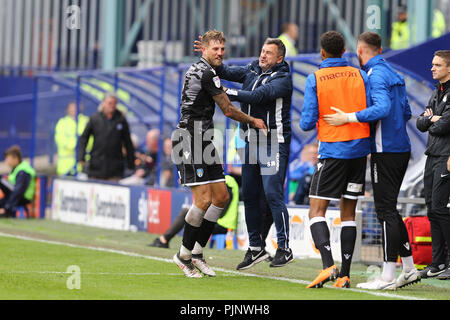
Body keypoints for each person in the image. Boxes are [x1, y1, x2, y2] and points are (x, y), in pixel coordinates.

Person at [324, 32, 420, 290]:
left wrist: (349, 117)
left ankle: (388, 275)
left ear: (361, 51)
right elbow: (407, 111)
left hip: (385, 150)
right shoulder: (393, 73)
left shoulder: (375, 74)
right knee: (390, 209)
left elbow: (382, 108)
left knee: (385, 211)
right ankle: (409, 268)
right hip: (400, 148)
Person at [171, 30, 267, 278]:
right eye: (215, 49)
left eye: (222, 49)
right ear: (204, 49)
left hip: (204, 138)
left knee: (221, 197)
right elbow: (227, 109)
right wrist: (253, 120)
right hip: (189, 139)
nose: (220, 53)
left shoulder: (205, 69)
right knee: (202, 200)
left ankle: (198, 253)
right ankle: (183, 255)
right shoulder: (205, 72)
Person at [214, 38, 294, 269]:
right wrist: (212, 56)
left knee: (272, 194)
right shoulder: (252, 68)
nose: (263, 56)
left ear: (279, 58)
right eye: (262, 51)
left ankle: (285, 248)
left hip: (273, 141)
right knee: (249, 195)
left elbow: (258, 95)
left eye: (268, 53)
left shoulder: (283, 79)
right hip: (251, 140)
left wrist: (225, 91)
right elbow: (226, 70)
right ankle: (256, 248)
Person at [300, 31, 371, 289]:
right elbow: (370, 108)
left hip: (332, 151)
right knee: (348, 214)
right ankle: (345, 275)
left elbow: (307, 122)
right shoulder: (360, 75)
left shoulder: (315, 78)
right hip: (359, 151)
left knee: (316, 211)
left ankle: (328, 265)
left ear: (322, 53)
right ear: (344, 52)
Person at [416, 50, 450, 280]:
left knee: (441, 209)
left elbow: (443, 126)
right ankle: (437, 263)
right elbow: (421, 123)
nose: (432, 68)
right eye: (432, 64)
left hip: (445, 157)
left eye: (437, 64)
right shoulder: (436, 93)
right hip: (432, 155)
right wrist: (431, 119)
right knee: (431, 210)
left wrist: (433, 120)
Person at [150, 175, 240, 249]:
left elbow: (221, 210)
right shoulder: (220, 181)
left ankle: (166, 240)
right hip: (217, 221)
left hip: (224, 225)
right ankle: (166, 240)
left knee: (189, 213)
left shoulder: (226, 182)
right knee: (189, 213)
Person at [77, 92, 135, 181]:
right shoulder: (95, 118)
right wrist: (81, 157)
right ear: (103, 103)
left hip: (115, 168)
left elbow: (128, 143)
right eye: (109, 103)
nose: (112, 106)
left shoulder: (121, 120)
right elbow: (84, 138)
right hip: (96, 167)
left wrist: (131, 163)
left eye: (114, 103)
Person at [54, 102, 91, 176]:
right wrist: (79, 144)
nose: (74, 110)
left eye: (76, 108)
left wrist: (77, 144)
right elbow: (61, 140)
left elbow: (91, 140)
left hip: (84, 167)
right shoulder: (62, 123)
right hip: (65, 168)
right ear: (68, 110)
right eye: (72, 108)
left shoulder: (87, 121)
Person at [0, 146, 36, 218]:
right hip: (13, 197)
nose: (6, 161)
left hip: (22, 198)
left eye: (8, 158)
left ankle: (6, 211)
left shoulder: (23, 171)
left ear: (15, 158)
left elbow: (18, 191)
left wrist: (7, 207)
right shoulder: (17, 169)